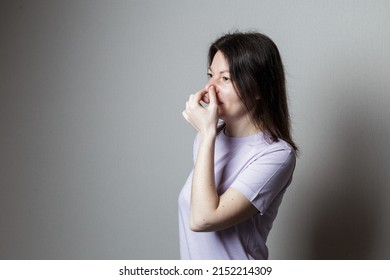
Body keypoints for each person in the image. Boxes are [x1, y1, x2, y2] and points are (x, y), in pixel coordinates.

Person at [179, 31, 298, 260]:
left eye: (225, 78)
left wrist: (206, 134)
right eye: (210, 75)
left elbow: (203, 219)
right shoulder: (210, 138)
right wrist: (208, 135)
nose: (210, 87)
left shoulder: (277, 155)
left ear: (258, 89)